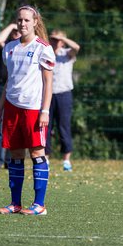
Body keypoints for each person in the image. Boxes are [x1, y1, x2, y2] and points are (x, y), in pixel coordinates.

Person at [0, 5, 55, 215]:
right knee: (15, 154)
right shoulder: (9, 48)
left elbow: (48, 83)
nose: (23, 24)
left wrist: (45, 111)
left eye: (27, 20)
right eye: (20, 20)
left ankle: (39, 205)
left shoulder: (43, 48)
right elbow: (9, 82)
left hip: (33, 109)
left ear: (35, 22)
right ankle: (15, 203)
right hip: (12, 107)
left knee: (37, 153)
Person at [45, 29, 80, 171]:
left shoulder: (67, 54)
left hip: (64, 94)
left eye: (57, 40)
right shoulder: (46, 53)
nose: (55, 42)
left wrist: (62, 39)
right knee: (45, 127)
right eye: (53, 39)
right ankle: (45, 158)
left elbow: (76, 47)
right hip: (47, 94)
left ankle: (66, 160)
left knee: (63, 127)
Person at [0, 23, 21, 169]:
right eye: (13, 31)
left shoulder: (23, 48)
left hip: (17, 88)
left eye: (18, 31)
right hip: (3, 87)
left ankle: (10, 161)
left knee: (13, 127)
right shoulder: (7, 48)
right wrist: (12, 25)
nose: (15, 33)